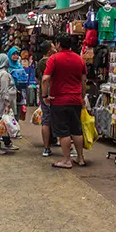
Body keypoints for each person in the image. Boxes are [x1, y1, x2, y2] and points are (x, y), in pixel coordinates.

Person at [42, 35, 88, 169]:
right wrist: (82, 96)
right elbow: (84, 80)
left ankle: (66, 160)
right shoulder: (79, 59)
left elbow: (45, 79)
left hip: (59, 100)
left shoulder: (54, 58)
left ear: (58, 44)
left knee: (63, 132)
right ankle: (80, 158)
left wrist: (45, 95)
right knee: (76, 130)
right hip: (76, 100)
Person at [0, 54, 19, 155]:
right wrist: (7, 103)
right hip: (2, 102)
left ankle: (7, 142)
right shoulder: (4, 74)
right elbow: (4, 90)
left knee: (5, 122)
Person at [36, 40, 57, 157]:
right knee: (56, 119)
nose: (55, 48)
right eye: (53, 46)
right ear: (49, 50)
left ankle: (46, 147)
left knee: (46, 119)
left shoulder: (40, 63)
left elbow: (38, 78)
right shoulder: (50, 61)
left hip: (44, 93)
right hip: (51, 93)